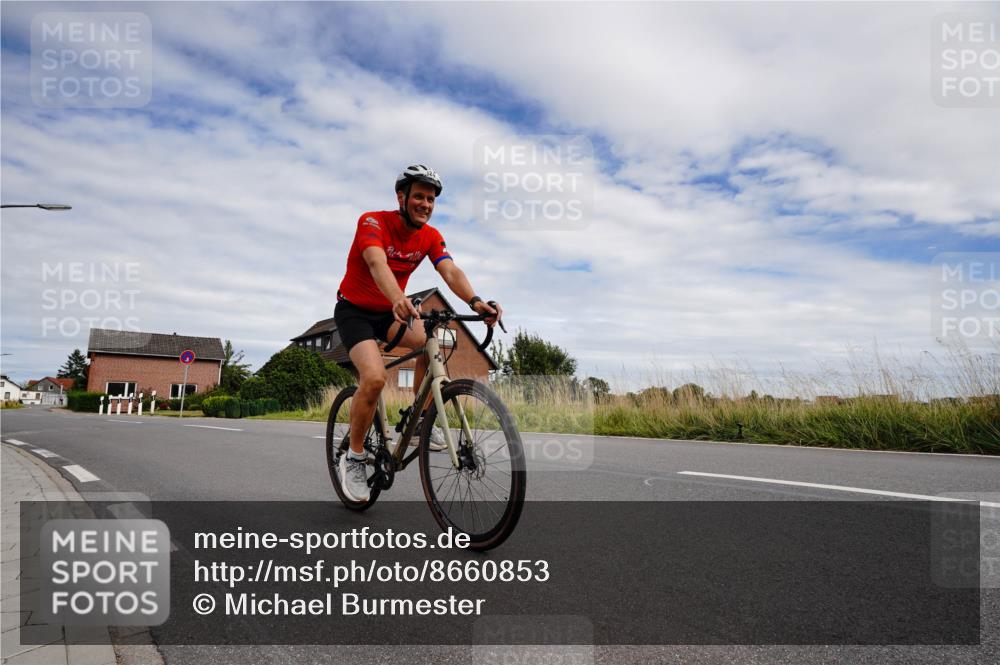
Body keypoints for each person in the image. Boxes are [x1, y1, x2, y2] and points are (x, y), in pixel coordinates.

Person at [334, 164, 502, 502]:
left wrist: (475, 300)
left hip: (392, 312)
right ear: (402, 197)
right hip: (355, 312)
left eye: (431, 199)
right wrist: (397, 297)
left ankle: (418, 419)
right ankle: (353, 458)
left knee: (433, 345)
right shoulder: (373, 221)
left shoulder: (429, 235)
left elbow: (449, 270)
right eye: (419, 196)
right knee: (376, 377)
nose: (425, 204)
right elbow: (376, 262)